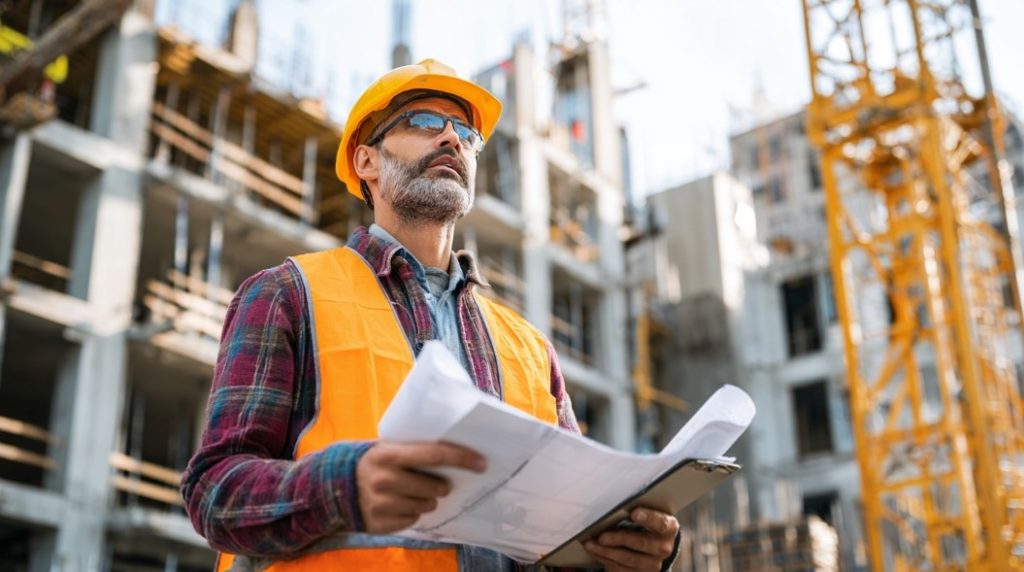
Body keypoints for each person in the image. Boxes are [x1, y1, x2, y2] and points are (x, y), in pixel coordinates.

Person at [181, 58, 680, 572]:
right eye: (424, 121)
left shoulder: (529, 349)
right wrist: (342, 486)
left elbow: (567, 528)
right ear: (366, 162)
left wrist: (629, 549)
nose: (452, 138)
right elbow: (214, 493)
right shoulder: (288, 294)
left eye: (465, 132)